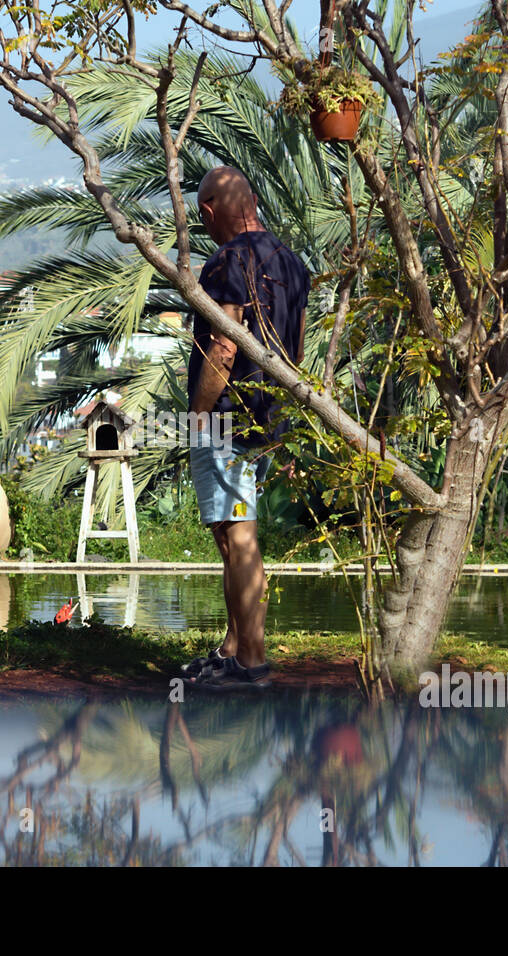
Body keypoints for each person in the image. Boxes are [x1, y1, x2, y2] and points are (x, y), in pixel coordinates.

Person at [182, 166, 310, 691]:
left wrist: (198, 412)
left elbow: (225, 344)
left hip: (228, 415)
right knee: (227, 533)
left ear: (209, 212)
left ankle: (251, 663)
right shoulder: (293, 263)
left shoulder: (225, 261)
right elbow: (296, 345)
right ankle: (233, 647)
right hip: (272, 410)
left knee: (237, 534)